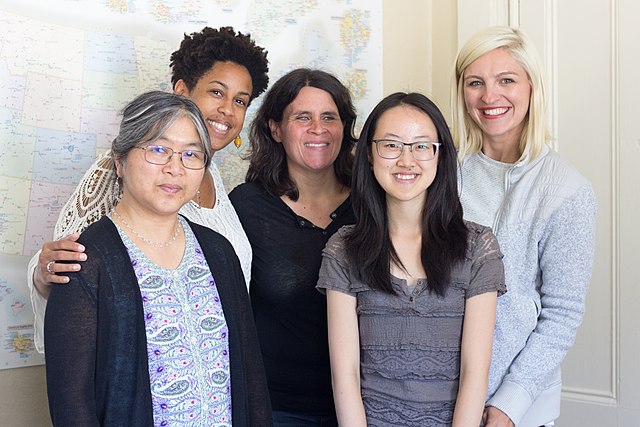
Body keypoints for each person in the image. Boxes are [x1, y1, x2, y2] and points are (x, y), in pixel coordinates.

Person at [27, 26, 269, 353]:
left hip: (214, 367)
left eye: (240, 100)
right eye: (216, 92)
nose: (228, 110)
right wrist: (44, 273)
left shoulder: (214, 177)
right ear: (182, 91)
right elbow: (70, 266)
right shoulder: (120, 171)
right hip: (139, 370)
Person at [44, 91, 271, 426]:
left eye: (191, 154)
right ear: (120, 160)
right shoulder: (85, 261)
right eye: (158, 149)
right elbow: (72, 405)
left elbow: (251, 379)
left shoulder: (219, 251)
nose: (174, 168)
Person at [316, 92, 505, 427]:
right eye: (391, 145)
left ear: (440, 157)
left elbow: (475, 373)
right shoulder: (343, 249)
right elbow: (344, 376)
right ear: (370, 156)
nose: (407, 160)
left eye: (421, 146)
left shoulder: (478, 247)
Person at [450, 26, 596, 427]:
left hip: (519, 409)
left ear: (532, 87)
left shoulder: (567, 191)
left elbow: (562, 315)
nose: (489, 96)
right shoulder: (444, 176)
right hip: (441, 397)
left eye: (506, 81)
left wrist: (510, 404)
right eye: (475, 82)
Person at [228, 68, 357, 426]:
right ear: (275, 128)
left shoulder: (373, 205)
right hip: (275, 408)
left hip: (367, 404)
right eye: (303, 117)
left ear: (344, 128)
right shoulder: (246, 206)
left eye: (329, 117)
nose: (319, 128)